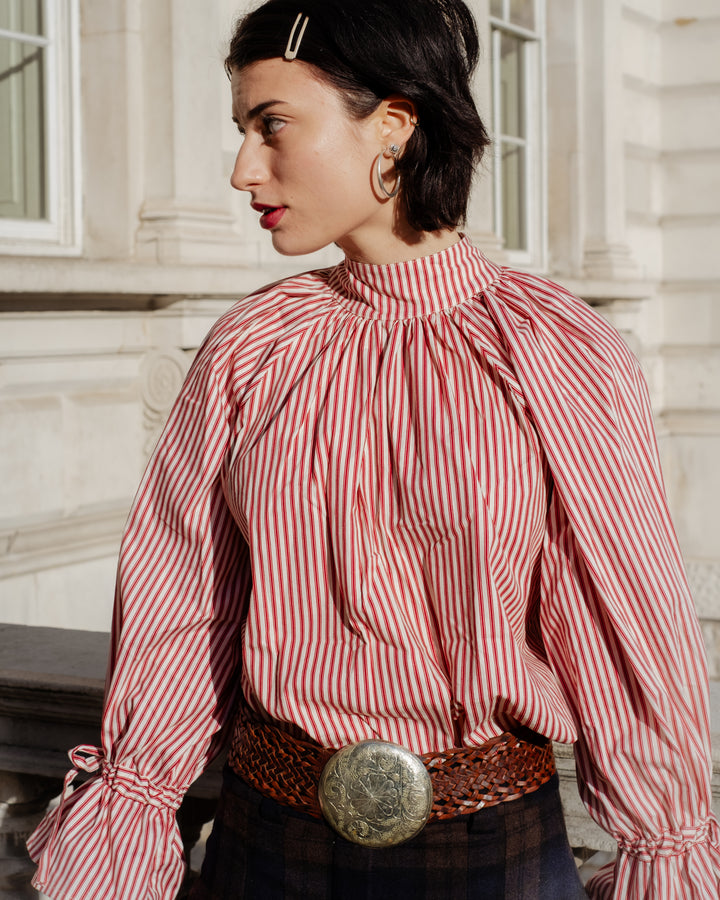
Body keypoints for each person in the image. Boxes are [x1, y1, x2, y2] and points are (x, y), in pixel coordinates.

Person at [27, 0, 720, 897]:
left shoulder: (553, 347)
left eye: (272, 125)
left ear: (393, 124)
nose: (243, 170)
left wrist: (663, 838)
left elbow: (622, 623)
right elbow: (184, 602)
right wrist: (136, 805)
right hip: (263, 845)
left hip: (493, 856)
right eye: (242, 131)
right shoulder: (254, 345)